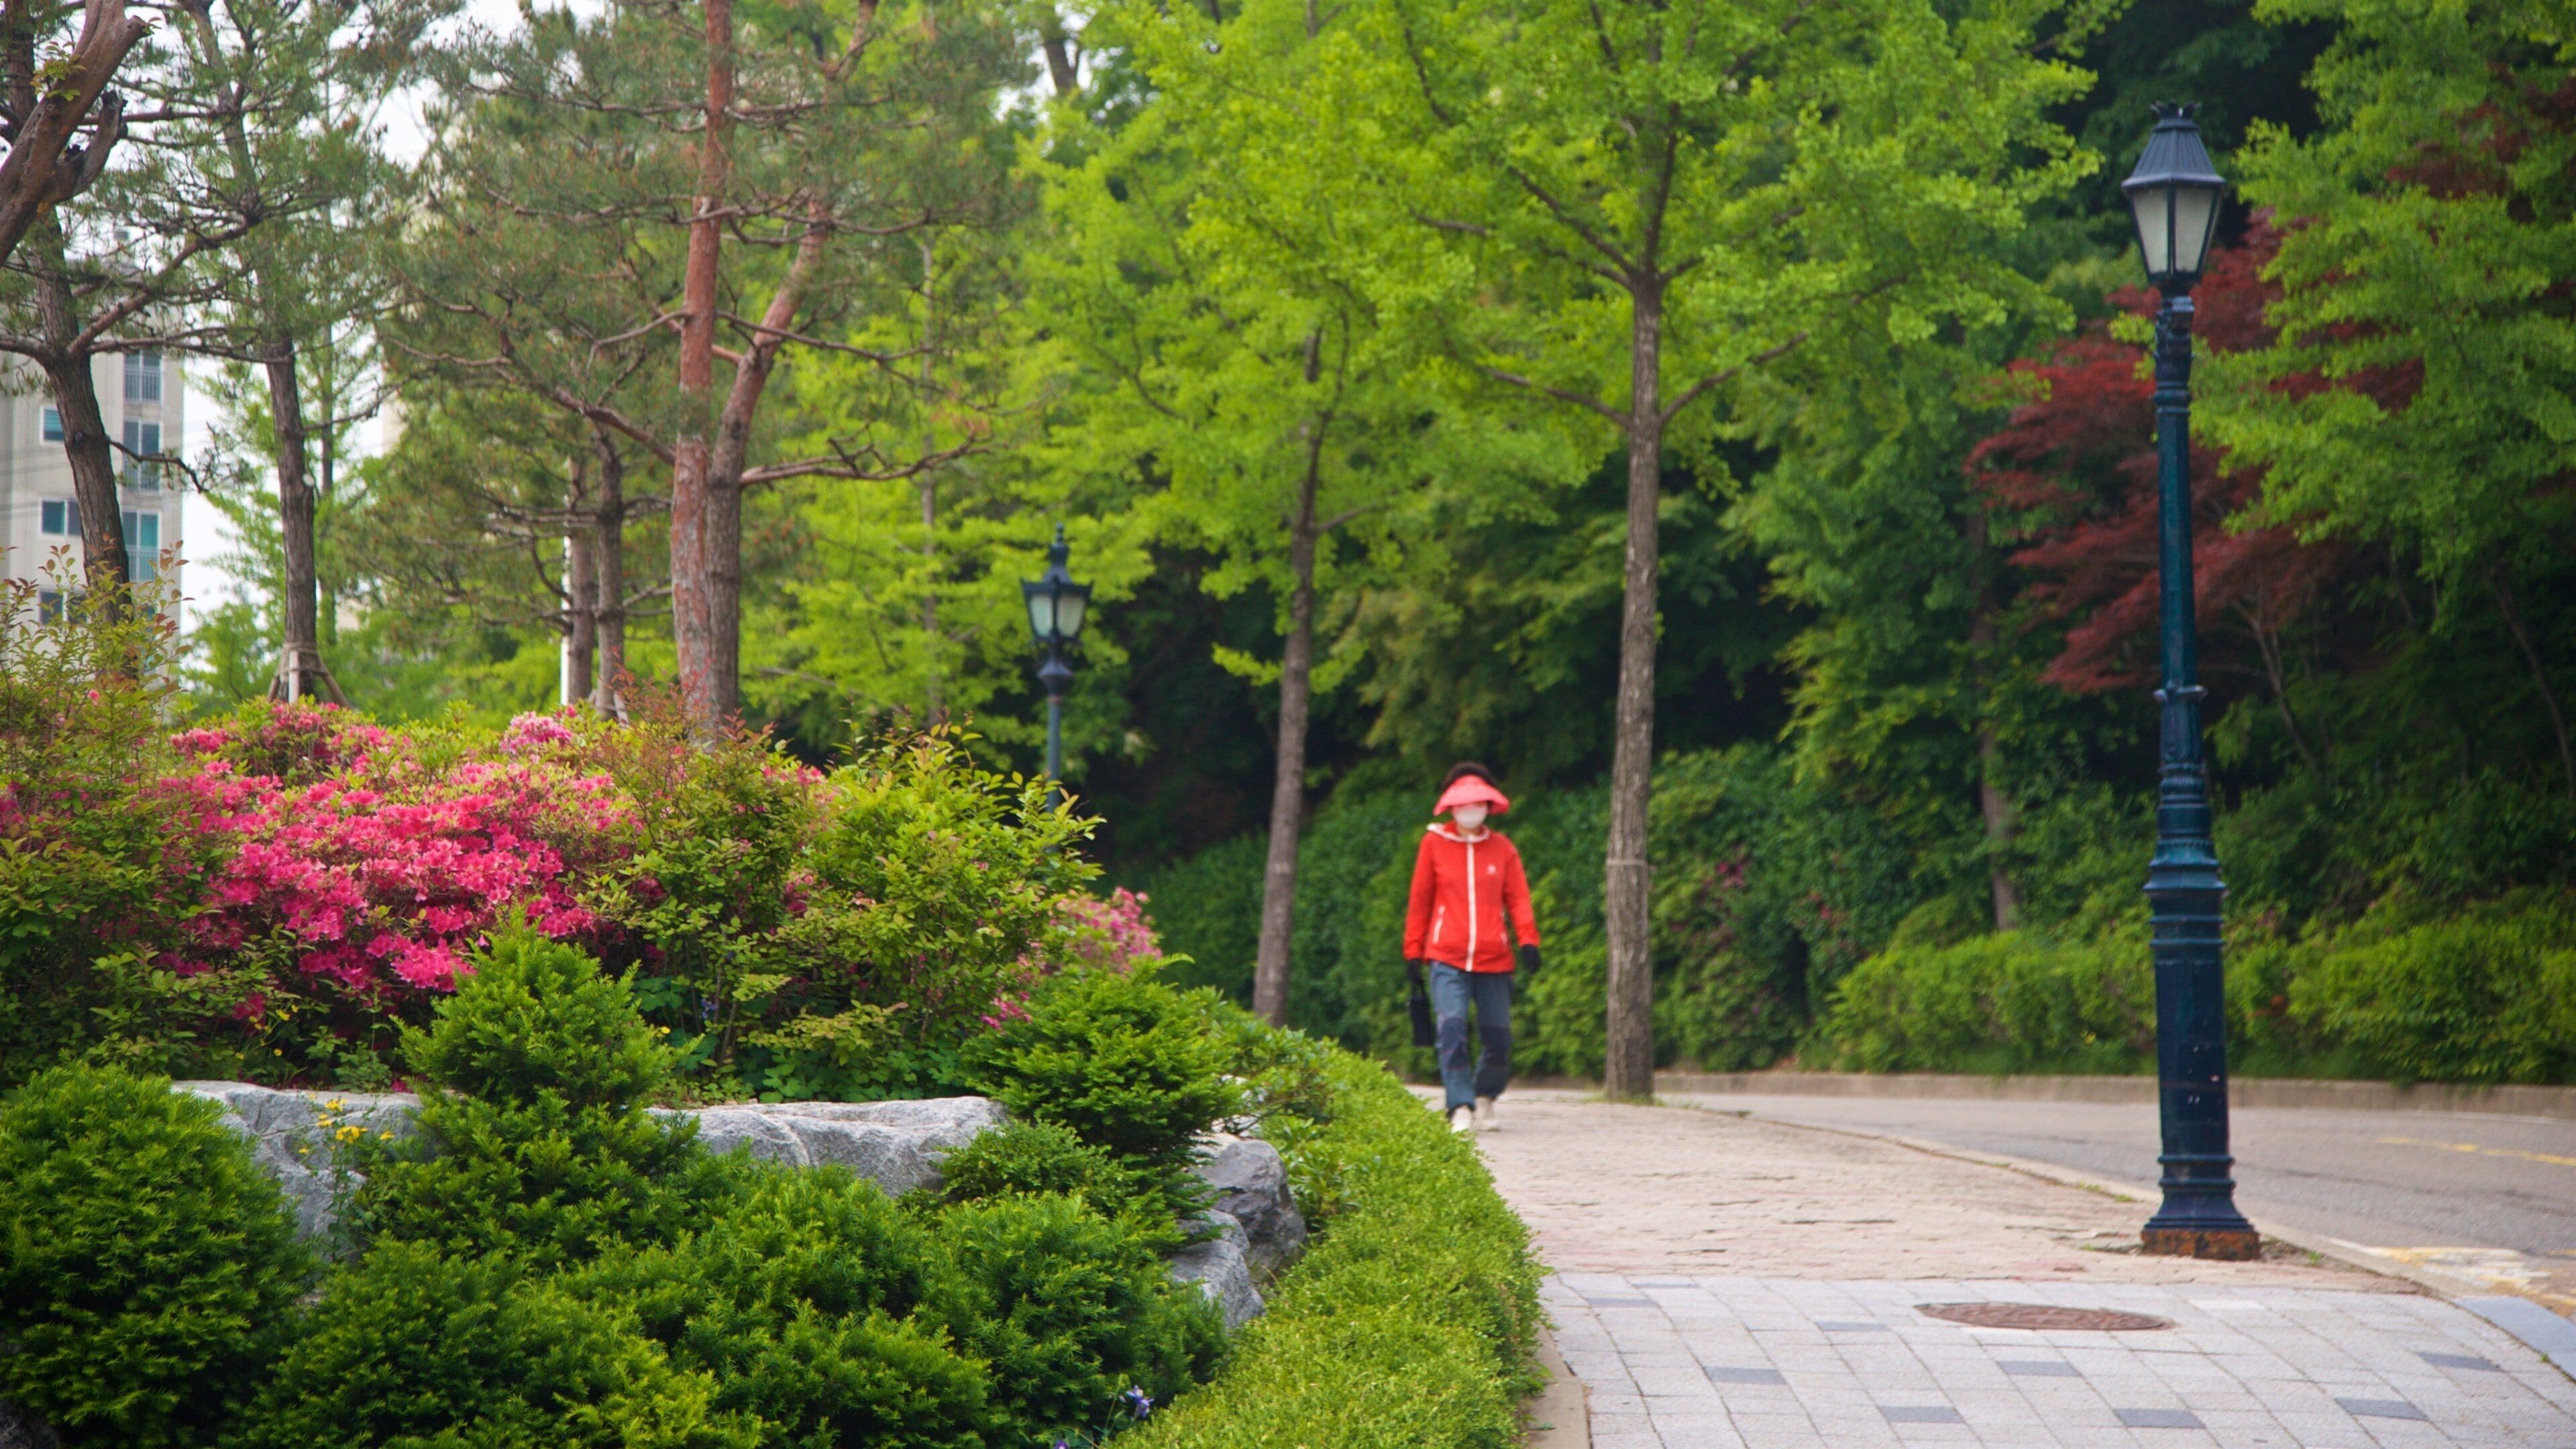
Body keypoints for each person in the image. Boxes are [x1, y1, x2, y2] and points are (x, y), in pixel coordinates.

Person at [1402, 762, 1542, 1134]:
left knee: (1499, 1037)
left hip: (1495, 959)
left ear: (1488, 806)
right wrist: (1413, 951)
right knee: (1452, 1028)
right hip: (1446, 956)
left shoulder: (1502, 848)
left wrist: (1528, 940)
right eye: (1464, 805)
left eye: (1478, 804)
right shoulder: (1433, 844)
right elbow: (1420, 901)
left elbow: (1519, 899)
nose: (1470, 810)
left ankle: (1486, 1095)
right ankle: (1459, 1104)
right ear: (1451, 808)